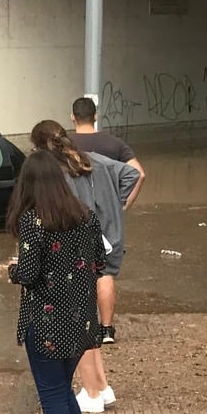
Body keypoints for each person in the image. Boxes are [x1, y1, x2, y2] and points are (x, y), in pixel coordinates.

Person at [6, 150, 104, 414]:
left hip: (47, 322)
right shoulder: (86, 216)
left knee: (52, 394)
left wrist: (12, 270)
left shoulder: (34, 222)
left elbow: (29, 273)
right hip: (82, 322)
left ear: (28, 185)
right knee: (64, 392)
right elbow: (100, 263)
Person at [32, 120, 138, 414]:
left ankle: (92, 393)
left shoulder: (55, 173)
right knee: (87, 317)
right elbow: (133, 173)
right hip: (108, 239)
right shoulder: (95, 161)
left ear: (40, 147)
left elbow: (54, 213)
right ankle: (101, 388)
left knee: (74, 322)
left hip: (76, 250)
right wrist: (116, 205)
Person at [68, 95, 145, 347]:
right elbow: (139, 175)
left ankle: (79, 326)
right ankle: (107, 329)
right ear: (96, 116)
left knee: (73, 268)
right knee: (106, 272)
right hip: (106, 218)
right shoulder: (114, 144)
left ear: (72, 117)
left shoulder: (64, 145)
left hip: (73, 215)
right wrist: (121, 205)